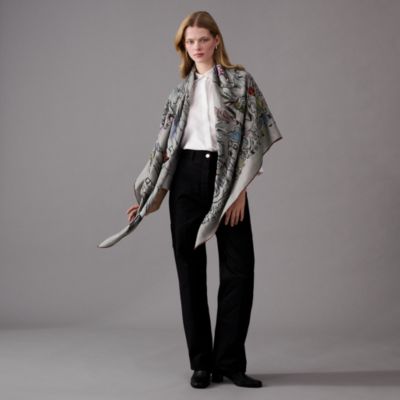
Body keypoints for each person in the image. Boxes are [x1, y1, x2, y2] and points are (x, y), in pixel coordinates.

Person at [126, 11, 282, 389]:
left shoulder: (240, 82)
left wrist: (240, 191)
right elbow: (164, 150)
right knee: (190, 271)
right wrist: (147, 196)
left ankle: (229, 362)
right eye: (189, 42)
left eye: (202, 39)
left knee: (238, 270)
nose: (196, 47)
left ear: (216, 40)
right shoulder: (179, 93)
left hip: (226, 178)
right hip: (185, 178)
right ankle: (201, 363)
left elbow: (250, 139)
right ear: (184, 46)